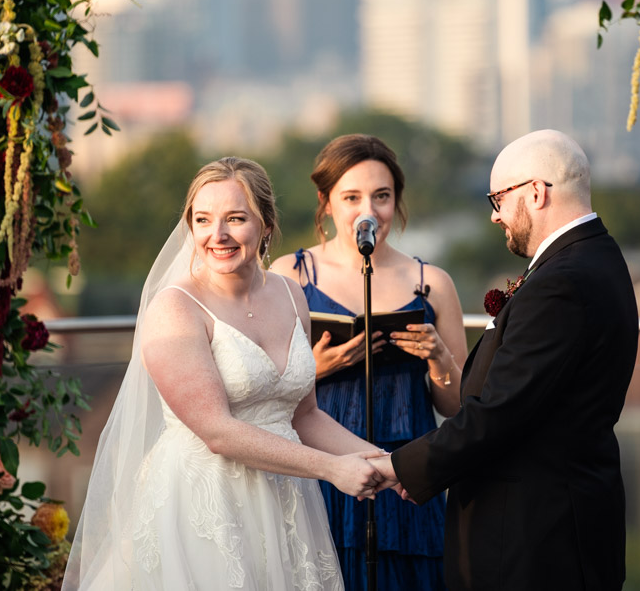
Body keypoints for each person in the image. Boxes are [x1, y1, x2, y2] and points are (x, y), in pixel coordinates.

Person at [63, 157, 397, 591]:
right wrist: (333, 469)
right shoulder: (176, 308)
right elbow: (217, 432)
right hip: (205, 505)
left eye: (235, 219)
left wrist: (387, 463)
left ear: (266, 225)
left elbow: (304, 416)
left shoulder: (289, 292)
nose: (216, 235)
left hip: (284, 501)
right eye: (202, 220)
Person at [370, 129, 639, 590]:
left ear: (536, 192)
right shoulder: (597, 257)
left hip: (535, 537)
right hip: (565, 520)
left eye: (498, 198)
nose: (495, 216)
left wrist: (399, 467)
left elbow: (500, 412)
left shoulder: (562, 283)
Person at [270, 134, 468, 591]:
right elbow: (261, 395)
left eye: (382, 196)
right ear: (326, 202)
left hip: (406, 476)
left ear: (397, 201)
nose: (369, 210)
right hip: (322, 472)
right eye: (352, 197)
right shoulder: (290, 276)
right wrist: (317, 367)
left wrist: (439, 357)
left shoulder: (432, 282)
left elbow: (458, 407)